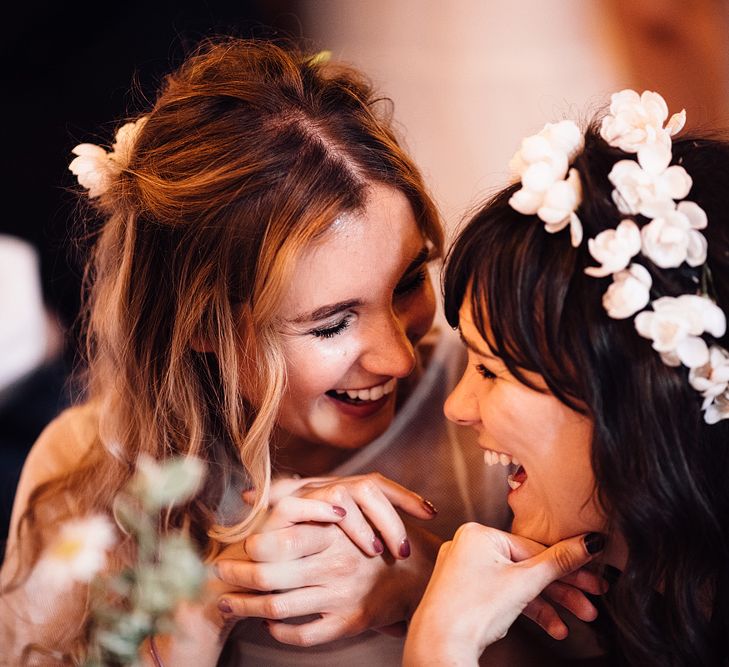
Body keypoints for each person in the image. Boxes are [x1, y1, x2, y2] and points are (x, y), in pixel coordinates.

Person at [0, 38, 523, 666]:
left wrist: (428, 582)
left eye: (408, 283)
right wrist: (199, 612)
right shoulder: (87, 467)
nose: (398, 358)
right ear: (199, 325)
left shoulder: (492, 405)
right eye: (331, 325)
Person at [404, 90, 729, 665]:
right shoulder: (653, 617)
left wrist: (440, 646)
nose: (457, 406)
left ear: (635, 395)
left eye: (490, 369)